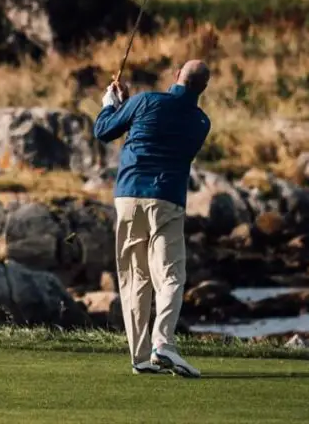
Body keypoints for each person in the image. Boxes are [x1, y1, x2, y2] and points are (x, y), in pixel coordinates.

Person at [93, 58, 212, 379]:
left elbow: (104, 131)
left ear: (176, 76)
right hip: (167, 199)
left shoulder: (145, 101)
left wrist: (111, 104)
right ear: (204, 87)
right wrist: (125, 104)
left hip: (128, 195)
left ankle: (141, 356)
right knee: (170, 274)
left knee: (135, 276)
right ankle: (163, 343)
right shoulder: (201, 122)